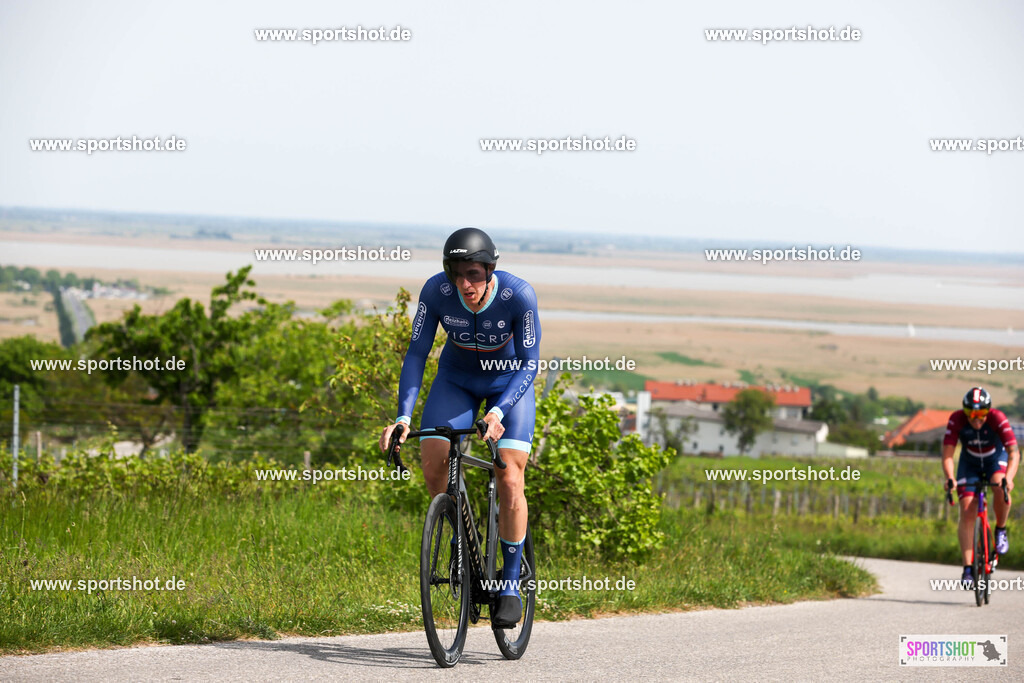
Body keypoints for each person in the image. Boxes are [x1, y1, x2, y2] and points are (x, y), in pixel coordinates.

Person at [378, 227, 540, 628]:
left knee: (510, 474)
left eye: (472, 274)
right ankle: (458, 539)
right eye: (455, 273)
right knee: (433, 460)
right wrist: (402, 417)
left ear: (489, 269)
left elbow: (530, 362)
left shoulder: (518, 295)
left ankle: (510, 583)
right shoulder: (436, 292)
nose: (463, 283)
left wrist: (500, 412)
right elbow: (417, 354)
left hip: (507, 383)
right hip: (456, 378)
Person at [941, 387, 1020, 588]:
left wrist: (1009, 478)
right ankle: (968, 568)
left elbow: (1013, 452)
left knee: (1000, 488)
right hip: (970, 463)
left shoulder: (998, 418)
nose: (976, 419)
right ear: (964, 411)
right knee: (967, 509)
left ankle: (1001, 529)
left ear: (989, 411)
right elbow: (948, 454)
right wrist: (950, 478)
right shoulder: (956, 419)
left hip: (995, 458)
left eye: (981, 414)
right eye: (971, 414)